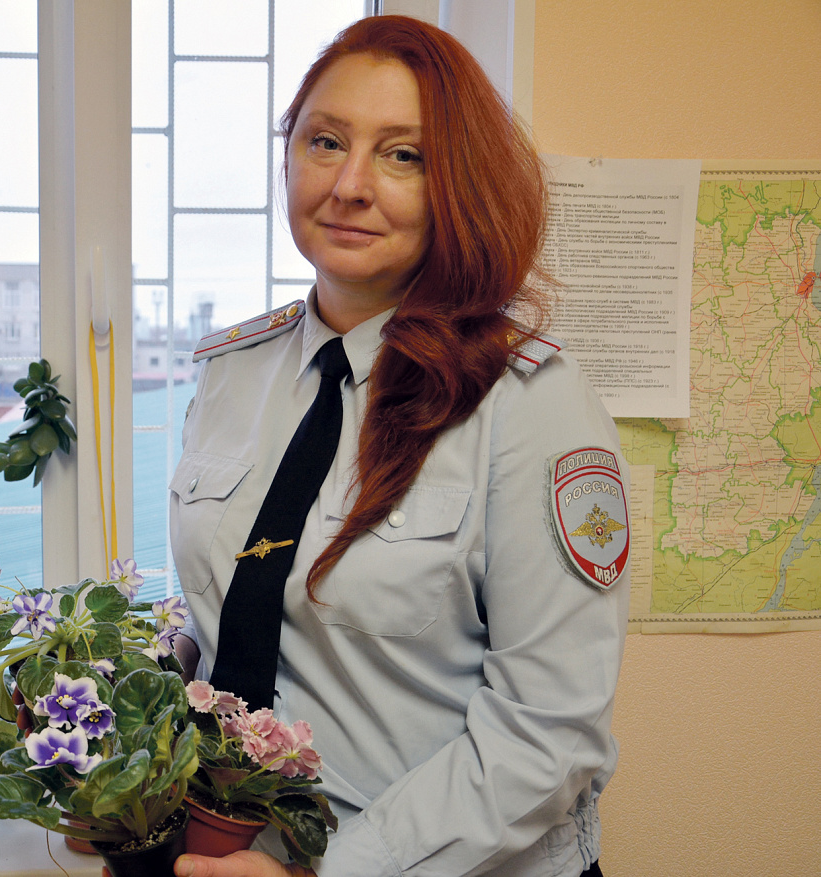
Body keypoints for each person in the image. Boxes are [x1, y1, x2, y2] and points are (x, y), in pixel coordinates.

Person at [168, 15, 629, 877]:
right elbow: (239, 606)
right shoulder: (232, 371)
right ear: (287, 156)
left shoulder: (530, 405)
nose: (349, 185)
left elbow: (549, 732)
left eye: (402, 155)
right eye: (325, 141)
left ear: (460, 182)